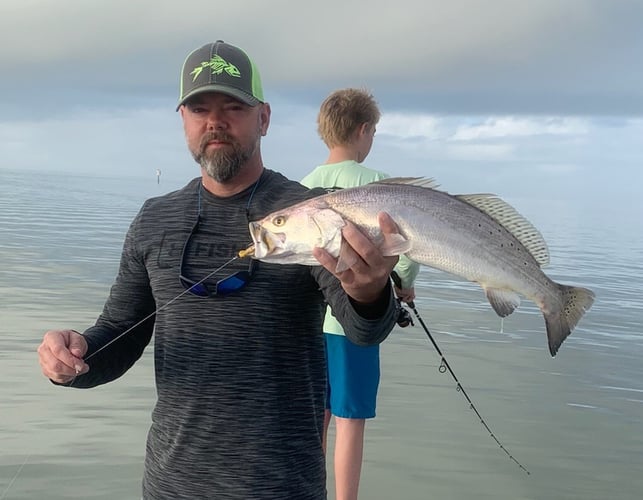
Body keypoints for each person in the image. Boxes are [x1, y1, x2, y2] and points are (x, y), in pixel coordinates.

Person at [37, 41, 402, 500]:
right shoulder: (154, 219)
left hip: (282, 485)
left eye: (233, 106)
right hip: (170, 484)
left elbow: (363, 328)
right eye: (199, 108)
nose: (215, 120)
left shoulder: (309, 213)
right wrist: (74, 356)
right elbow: (121, 332)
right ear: (184, 121)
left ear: (263, 118)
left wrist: (370, 292)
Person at [301, 88, 420, 500]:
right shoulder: (378, 186)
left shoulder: (301, 188)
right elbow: (402, 250)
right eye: (374, 132)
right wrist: (404, 286)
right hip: (357, 322)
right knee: (351, 420)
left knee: (317, 414)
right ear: (364, 130)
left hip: (309, 325)